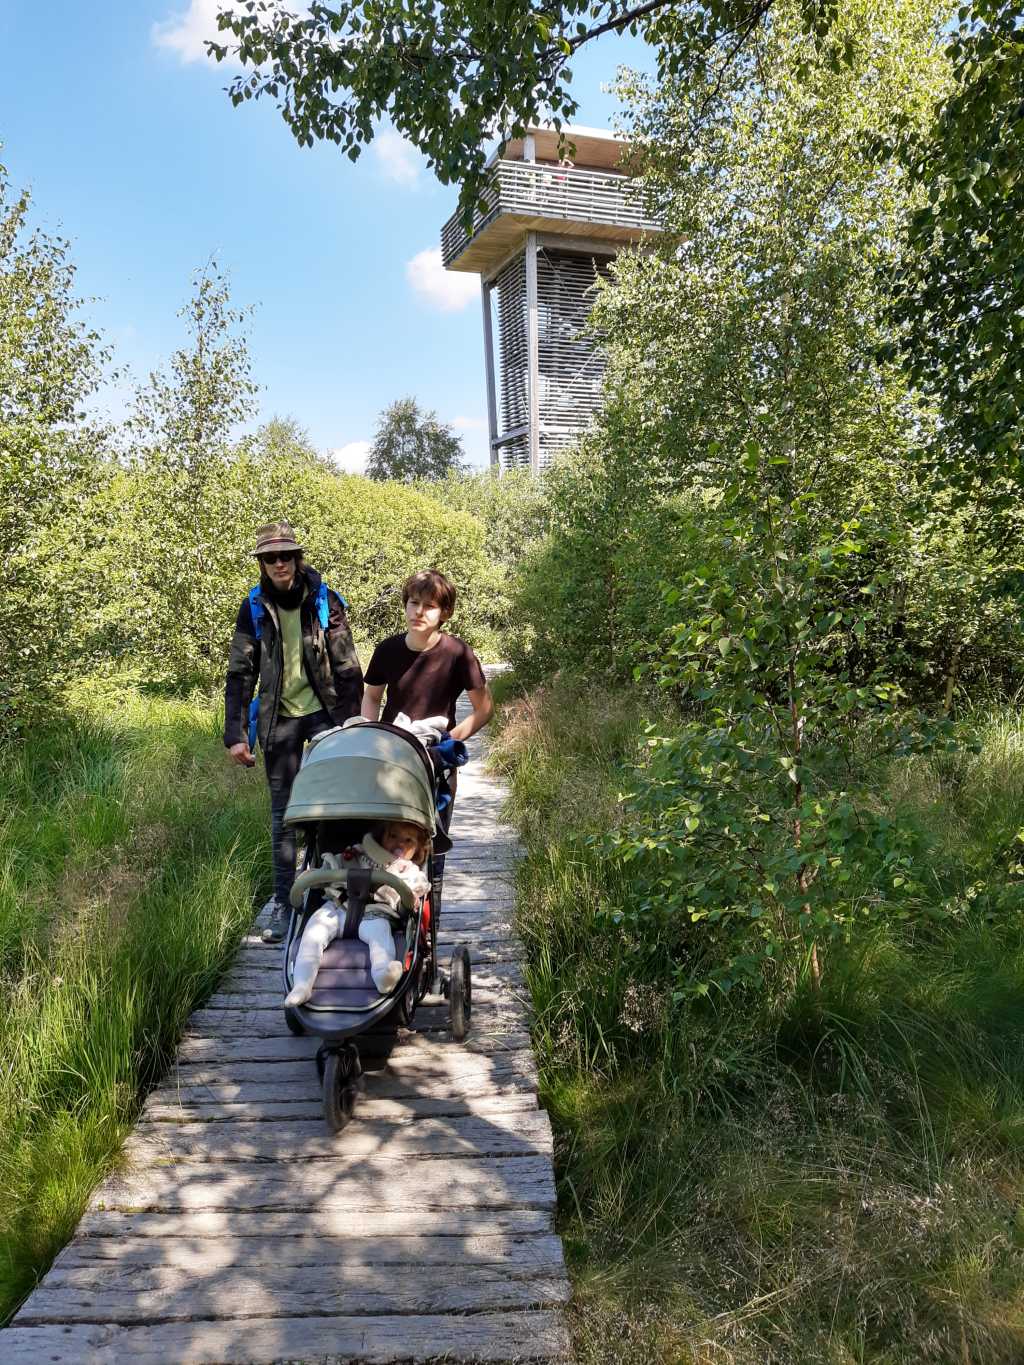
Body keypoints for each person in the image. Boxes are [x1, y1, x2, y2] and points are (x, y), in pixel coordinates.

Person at [224, 521, 363, 944]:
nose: (279, 563)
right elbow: (239, 672)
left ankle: (332, 893)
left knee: (334, 809)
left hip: (324, 714)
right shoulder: (253, 608)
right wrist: (235, 733)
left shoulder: (325, 600)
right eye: (270, 557)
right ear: (262, 564)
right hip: (278, 720)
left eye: (285, 555)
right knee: (284, 816)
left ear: (297, 558)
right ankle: (285, 905)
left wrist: (351, 723)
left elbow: (348, 667)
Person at [285, 821, 430, 1003]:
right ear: (382, 835)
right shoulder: (358, 852)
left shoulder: (409, 871)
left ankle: (383, 976)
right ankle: (302, 985)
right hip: (337, 907)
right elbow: (333, 865)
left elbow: (418, 887)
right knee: (313, 931)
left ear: (417, 849)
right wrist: (315, 875)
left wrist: (412, 896)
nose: (399, 844)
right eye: (393, 836)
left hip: (376, 913)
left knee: (381, 938)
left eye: (408, 840)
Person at [360, 569, 493, 751]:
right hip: (389, 748)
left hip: (436, 752)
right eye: (414, 603)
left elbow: (484, 710)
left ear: (445, 613)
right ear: (405, 605)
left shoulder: (458, 653)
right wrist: (369, 734)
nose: (419, 612)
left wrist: (447, 742)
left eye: (429, 606)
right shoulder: (387, 649)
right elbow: (372, 697)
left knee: (445, 780)